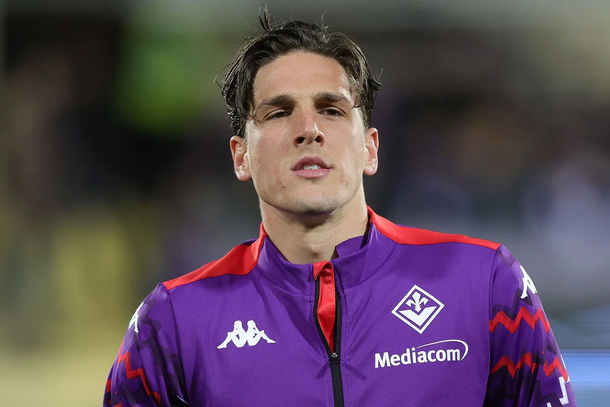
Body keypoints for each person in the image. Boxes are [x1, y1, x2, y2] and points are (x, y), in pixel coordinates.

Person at [104, 8, 577, 407]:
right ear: (241, 156)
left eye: (331, 109)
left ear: (370, 148)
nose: (308, 130)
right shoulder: (174, 322)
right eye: (278, 112)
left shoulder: (484, 283)